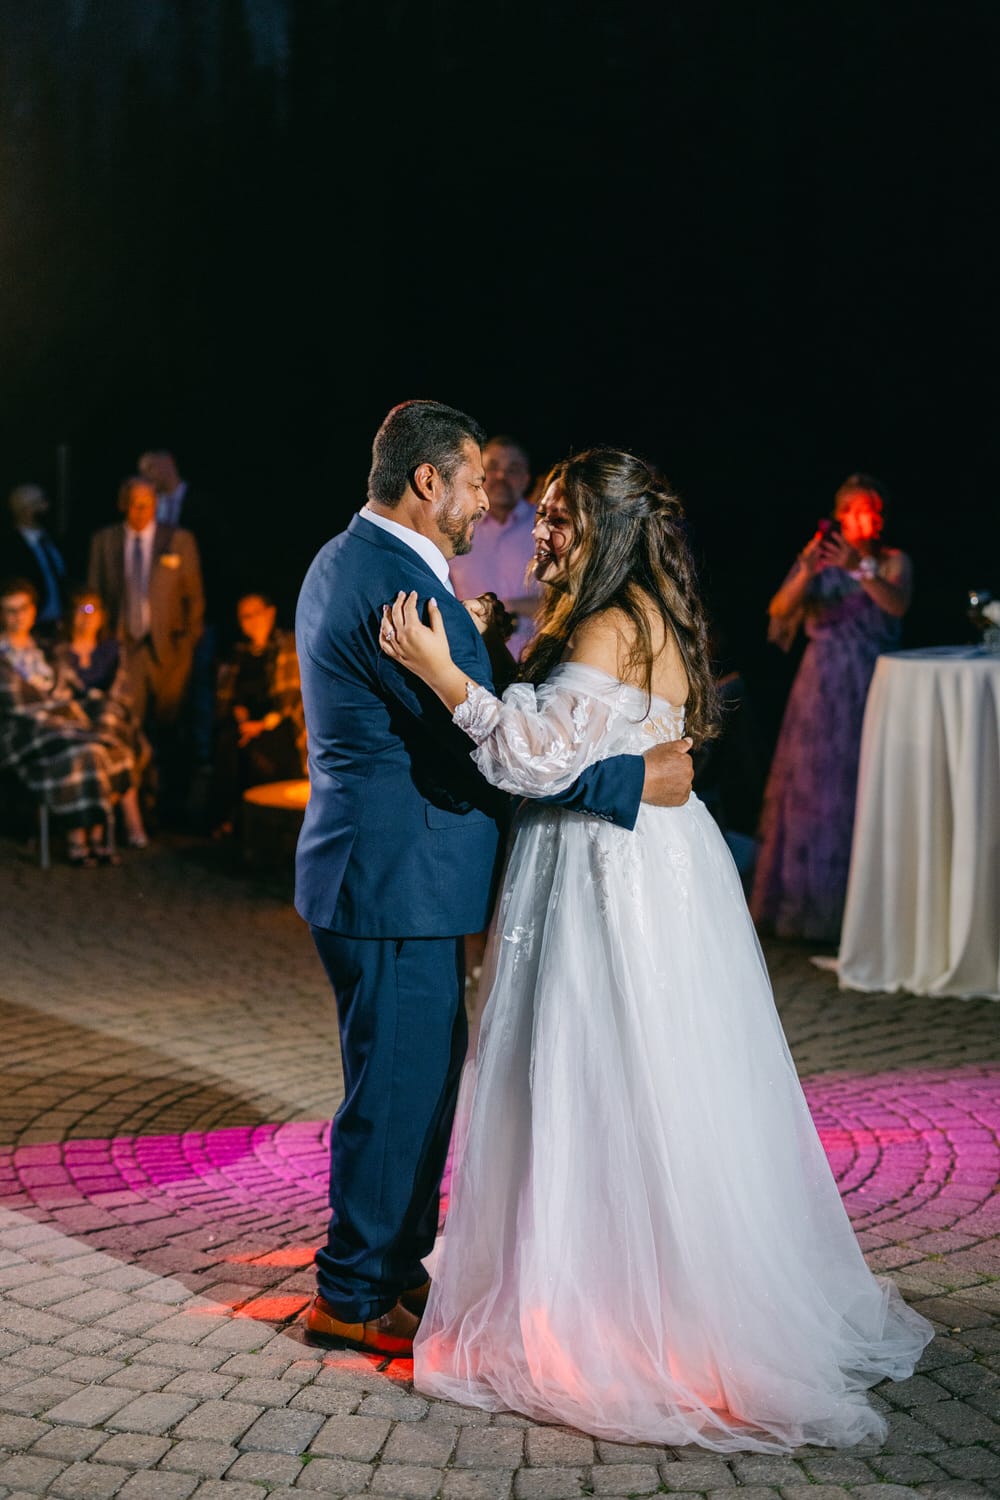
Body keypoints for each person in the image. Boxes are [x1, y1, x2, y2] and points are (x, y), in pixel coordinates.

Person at [379, 447, 932, 1451]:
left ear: (610, 530)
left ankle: (610, 1312)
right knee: (649, 1074)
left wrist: (445, 673)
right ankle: (651, 1287)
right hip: (656, 865)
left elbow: (532, 758)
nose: (536, 528)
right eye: (537, 511)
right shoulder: (638, 612)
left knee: (597, 1071)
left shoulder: (604, 619)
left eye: (557, 516)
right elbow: (599, 742)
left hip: (606, 876)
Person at [293, 400, 695, 1358]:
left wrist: (475, 639)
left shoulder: (352, 558)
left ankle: (391, 1270)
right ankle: (352, 1294)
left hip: (384, 874)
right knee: (396, 1089)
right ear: (428, 482)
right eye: (474, 479)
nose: (489, 497)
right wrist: (641, 775)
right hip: (397, 882)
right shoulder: (403, 596)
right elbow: (496, 758)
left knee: (416, 1080)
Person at [751, 474, 913, 942]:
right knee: (814, 790)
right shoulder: (820, 558)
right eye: (856, 509)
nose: (867, 518)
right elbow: (779, 609)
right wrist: (806, 571)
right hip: (820, 682)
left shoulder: (892, 561)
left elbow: (897, 604)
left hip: (872, 679)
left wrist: (859, 567)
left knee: (862, 785)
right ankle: (810, 908)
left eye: (873, 509)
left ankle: (866, 909)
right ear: (840, 515)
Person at [87, 476, 204, 822]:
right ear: (123, 504)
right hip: (126, 648)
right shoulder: (105, 541)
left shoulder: (178, 540)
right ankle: (135, 807)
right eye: (135, 504)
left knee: (170, 727)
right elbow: (96, 592)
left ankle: (169, 805)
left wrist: (186, 647)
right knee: (129, 728)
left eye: (148, 504)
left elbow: (194, 599)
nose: (141, 511)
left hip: (168, 650)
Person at [0, 578, 135, 866]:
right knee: (85, 749)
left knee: (100, 749)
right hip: (26, 733)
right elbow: (19, 705)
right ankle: (79, 838)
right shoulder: (3, 655)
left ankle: (95, 835)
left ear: (33, 611)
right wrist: (65, 719)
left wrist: (73, 715)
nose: (17, 617)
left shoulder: (47, 649)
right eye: (9, 611)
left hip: (64, 728)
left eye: (22, 609)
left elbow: (68, 689)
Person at [52, 586, 150, 849]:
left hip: (109, 719)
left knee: (108, 724)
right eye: (80, 610)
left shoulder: (111, 650)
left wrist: (102, 703)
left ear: (102, 616)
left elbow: (121, 691)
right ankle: (119, 825)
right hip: (77, 722)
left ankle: (96, 832)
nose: (86, 617)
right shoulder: (59, 653)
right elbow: (58, 694)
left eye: (91, 610)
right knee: (110, 753)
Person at [210, 591, 305, 836]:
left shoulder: (287, 646)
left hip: (278, 723)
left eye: (255, 614)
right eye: (244, 616)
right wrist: (238, 713)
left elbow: (292, 697)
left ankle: (263, 826)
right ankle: (231, 820)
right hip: (244, 724)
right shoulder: (239, 654)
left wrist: (261, 725)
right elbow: (230, 696)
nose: (250, 621)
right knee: (229, 746)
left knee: (261, 753)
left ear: (270, 613)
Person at [448, 435, 542, 660]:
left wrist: (504, 607)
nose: (501, 476)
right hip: (470, 659)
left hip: (535, 657)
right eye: (493, 467)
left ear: (526, 478)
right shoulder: (455, 527)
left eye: (513, 469)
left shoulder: (545, 526)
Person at [2, 484, 67, 639]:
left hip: (59, 621)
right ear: (24, 509)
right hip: (30, 624)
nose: (45, 508)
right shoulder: (9, 546)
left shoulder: (53, 538)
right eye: (39, 504)